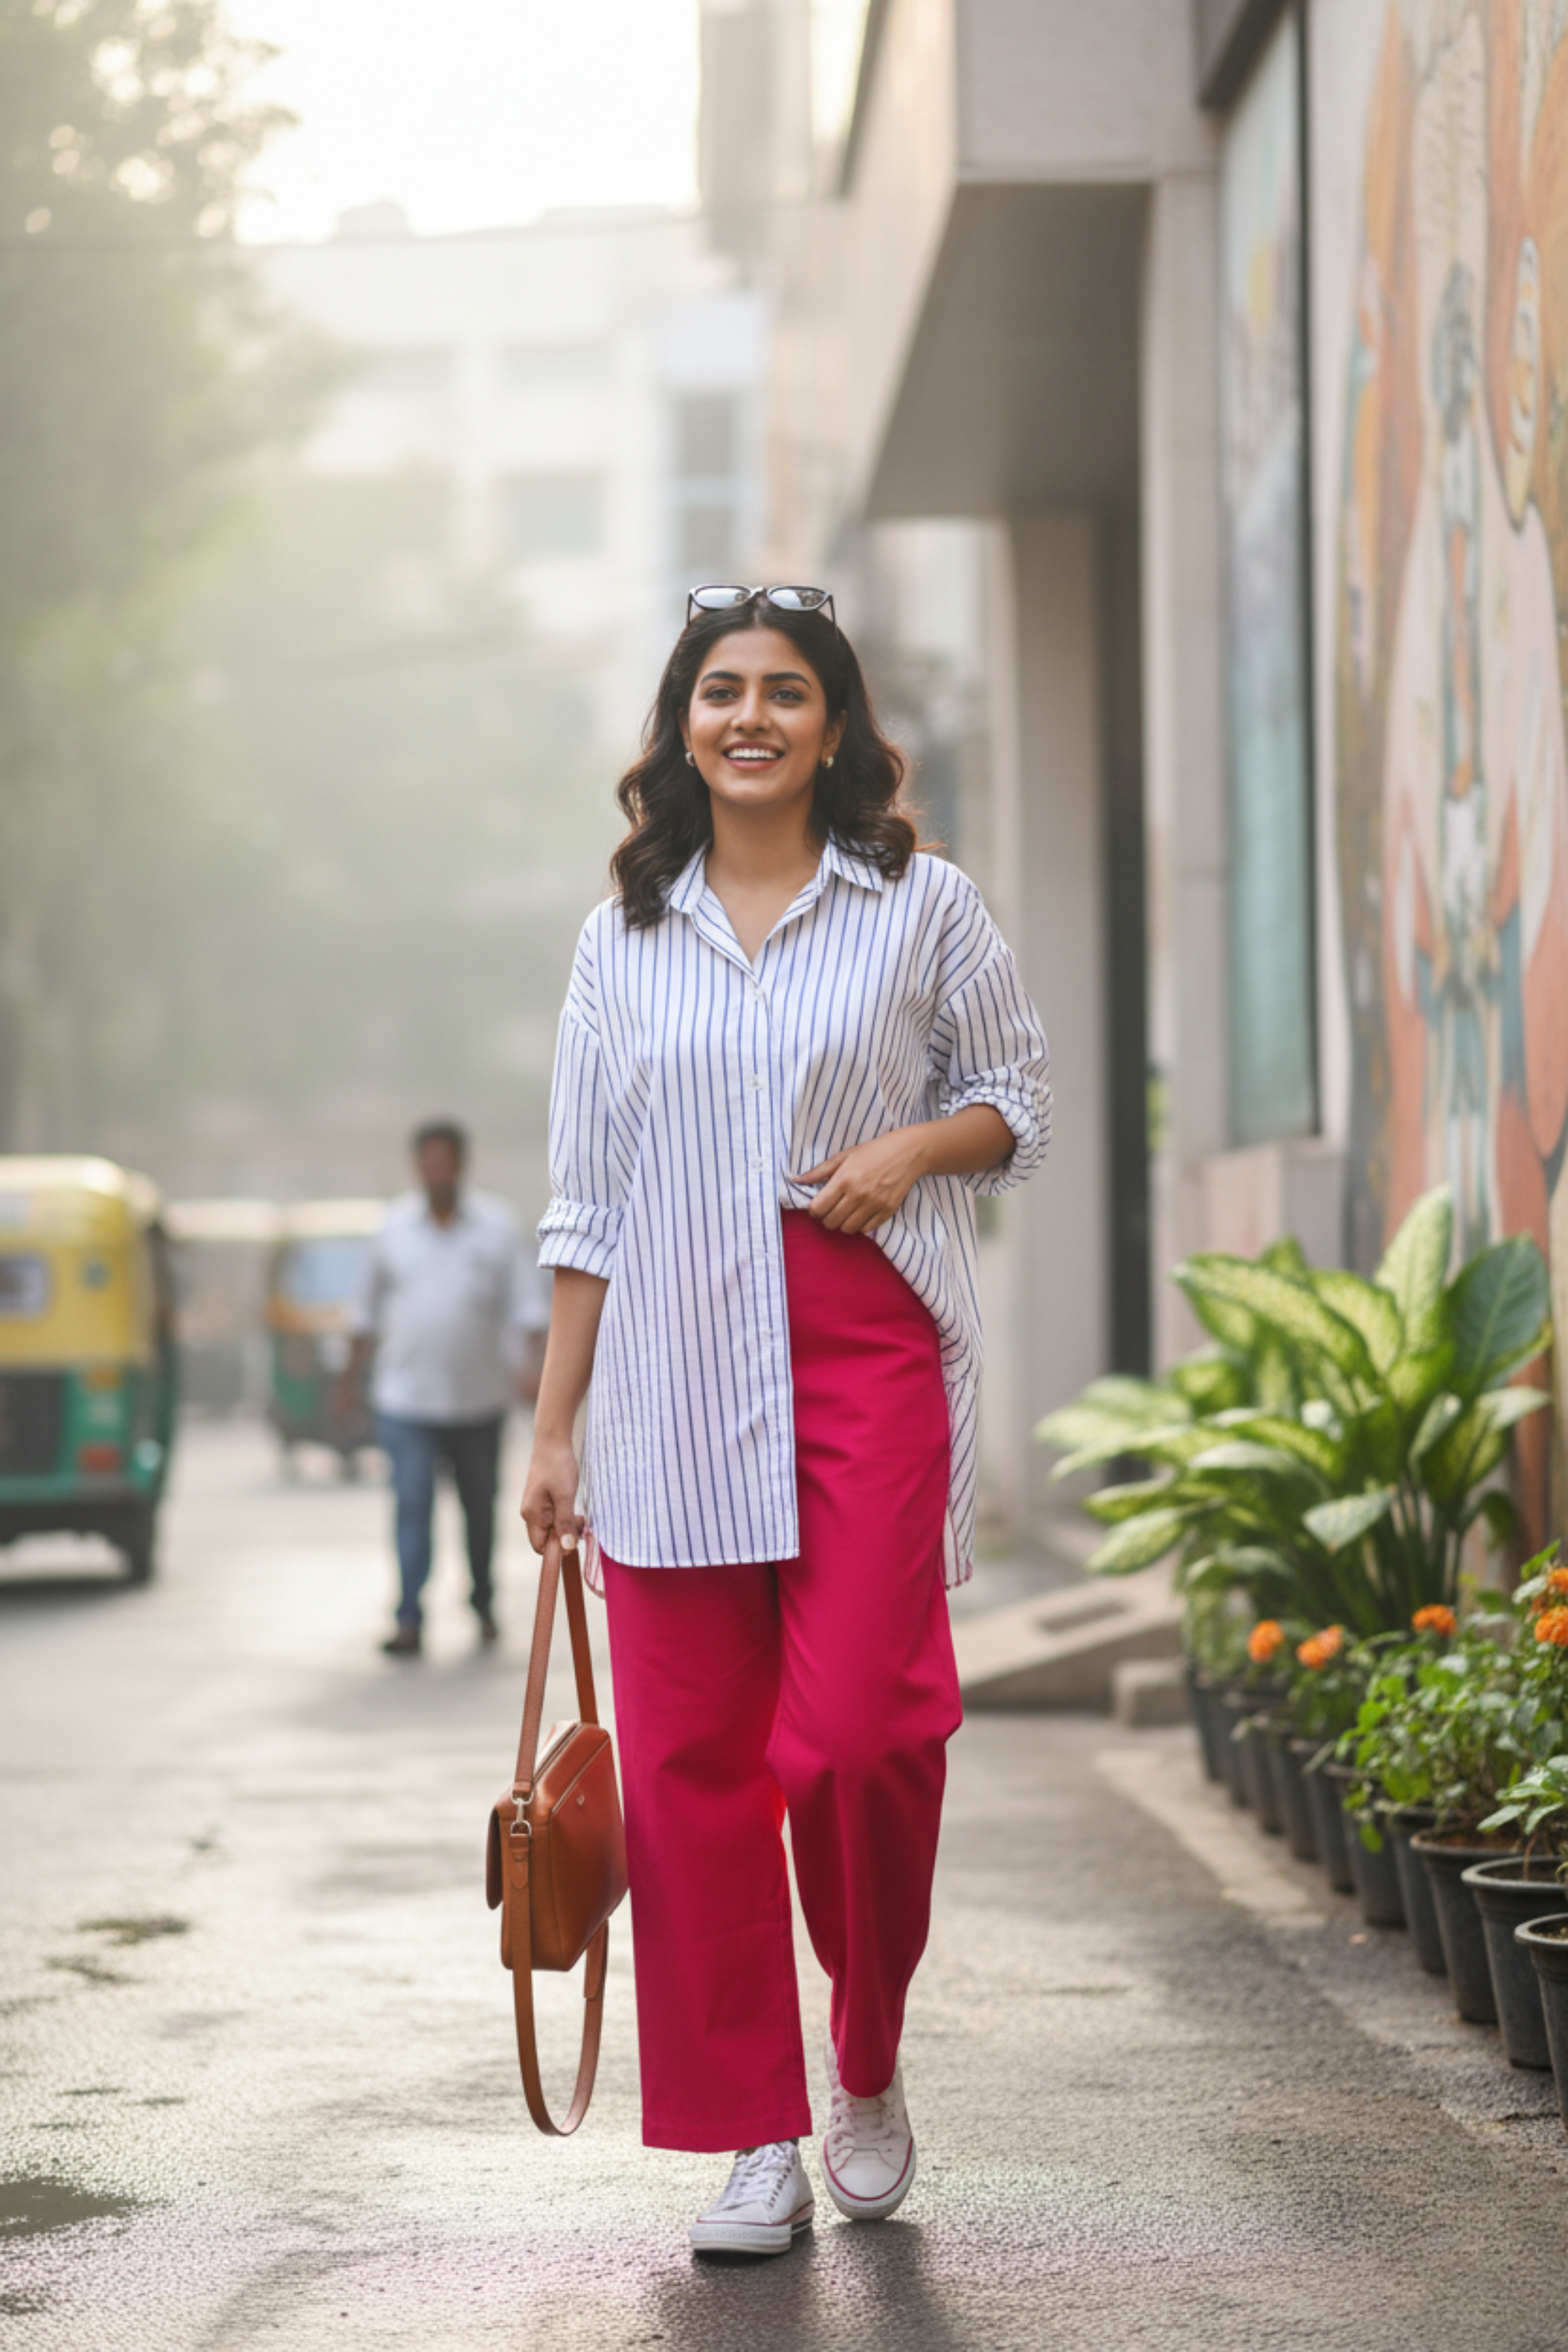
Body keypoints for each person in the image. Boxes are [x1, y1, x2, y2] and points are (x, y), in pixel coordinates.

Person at [520, 584, 1049, 2257]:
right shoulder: (620, 940)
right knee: (690, 1774)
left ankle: (864, 2056)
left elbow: (1019, 1098)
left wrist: (911, 1149)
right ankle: (753, 2134)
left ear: (835, 728)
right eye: (721, 690)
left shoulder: (920, 904)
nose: (750, 716)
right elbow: (587, 1202)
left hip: (861, 1347)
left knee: (861, 1737)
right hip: (668, 1373)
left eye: (786, 691)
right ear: (683, 726)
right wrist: (554, 1431)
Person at [346, 1120, 538, 1657]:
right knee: (412, 1504)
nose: (437, 1171)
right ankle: (409, 1615)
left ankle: (483, 1603)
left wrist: (534, 1369)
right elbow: (363, 1314)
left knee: (480, 1510)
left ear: (461, 1164)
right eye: (428, 1161)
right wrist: (349, 1381)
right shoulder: (392, 1229)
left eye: (445, 1160)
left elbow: (528, 1309)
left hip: (480, 1401)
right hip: (406, 1400)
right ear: (418, 1166)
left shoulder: (496, 1227)